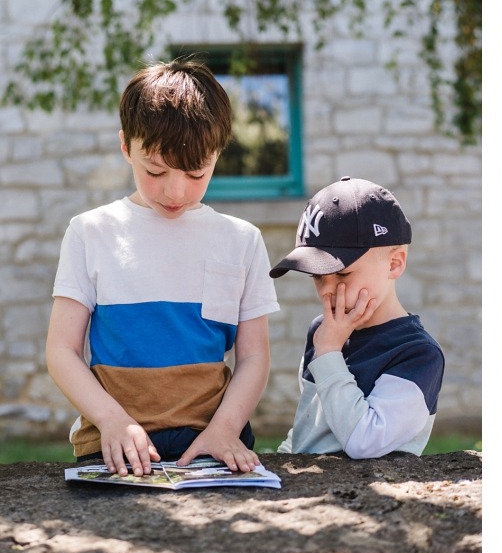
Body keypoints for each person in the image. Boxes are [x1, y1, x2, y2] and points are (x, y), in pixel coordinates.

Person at [46, 58, 280, 477]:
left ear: (218, 154)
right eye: (155, 170)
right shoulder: (89, 233)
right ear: (125, 146)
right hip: (114, 444)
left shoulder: (242, 240)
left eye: (196, 173)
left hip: (215, 441)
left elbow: (253, 357)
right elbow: (62, 350)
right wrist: (112, 421)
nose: (175, 191)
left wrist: (225, 428)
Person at [270, 177, 444, 459]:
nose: (328, 290)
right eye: (317, 276)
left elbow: (366, 441)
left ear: (394, 263)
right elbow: (309, 424)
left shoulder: (418, 354)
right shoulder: (322, 330)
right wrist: (281, 460)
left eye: (342, 274)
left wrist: (328, 353)